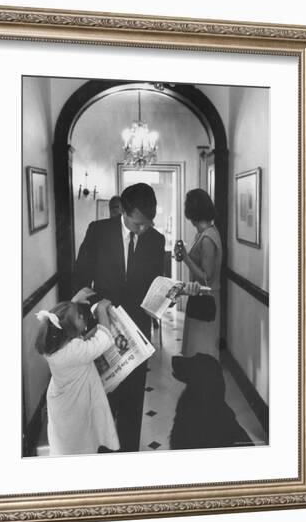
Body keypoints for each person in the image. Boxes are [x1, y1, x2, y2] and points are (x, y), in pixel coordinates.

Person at [73, 183, 165, 451]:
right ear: (124, 212)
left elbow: (154, 286)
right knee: (103, 399)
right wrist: (96, 308)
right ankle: (103, 455)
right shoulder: (98, 231)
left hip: (137, 333)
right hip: (101, 329)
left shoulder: (156, 240)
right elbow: (79, 279)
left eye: (148, 224)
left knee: (133, 401)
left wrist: (168, 294)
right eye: (138, 224)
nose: (144, 230)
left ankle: (128, 457)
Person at [35, 299, 119, 456]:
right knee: (81, 441)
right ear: (69, 329)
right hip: (76, 404)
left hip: (62, 403)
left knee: (65, 443)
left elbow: (78, 338)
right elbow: (105, 340)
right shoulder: (74, 350)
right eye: (80, 316)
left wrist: (73, 303)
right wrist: (101, 310)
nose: (83, 316)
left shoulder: (53, 346)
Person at [175, 188, 223, 359]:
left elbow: (206, 276)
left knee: (202, 350)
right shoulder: (203, 234)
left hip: (206, 299)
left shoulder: (208, 238)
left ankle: (202, 383)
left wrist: (185, 258)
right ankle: (196, 383)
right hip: (199, 295)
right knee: (195, 348)